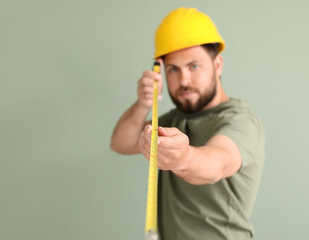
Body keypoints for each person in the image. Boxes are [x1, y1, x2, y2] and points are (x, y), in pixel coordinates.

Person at [111, 7, 265, 240]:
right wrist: (143, 104)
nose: (184, 81)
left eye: (194, 66)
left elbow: (217, 162)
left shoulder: (241, 122)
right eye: (173, 69)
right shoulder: (174, 120)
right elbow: (120, 143)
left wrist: (183, 158)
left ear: (217, 65)